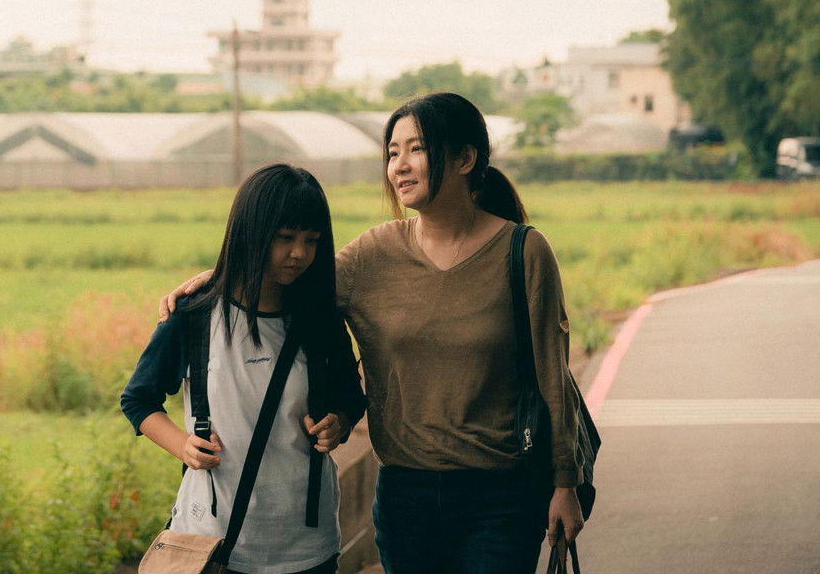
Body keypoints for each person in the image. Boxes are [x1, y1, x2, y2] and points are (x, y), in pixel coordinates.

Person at [161, 93, 586, 573]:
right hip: (407, 496)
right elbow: (292, 288)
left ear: (466, 159)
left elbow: (554, 376)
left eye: (416, 149)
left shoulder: (523, 252)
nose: (399, 166)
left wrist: (564, 485)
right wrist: (218, 282)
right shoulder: (374, 254)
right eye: (392, 152)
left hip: (502, 494)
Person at [122, 164, 367, 574]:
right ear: (250, 233)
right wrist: (182, 445)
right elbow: (139, 398)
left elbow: (351, 395)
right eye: (285, 238)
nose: (299, 254)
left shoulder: (321, 320)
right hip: (212, 541)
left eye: (312, 240)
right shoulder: (195, 315)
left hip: (306, 543)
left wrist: (338, 422)